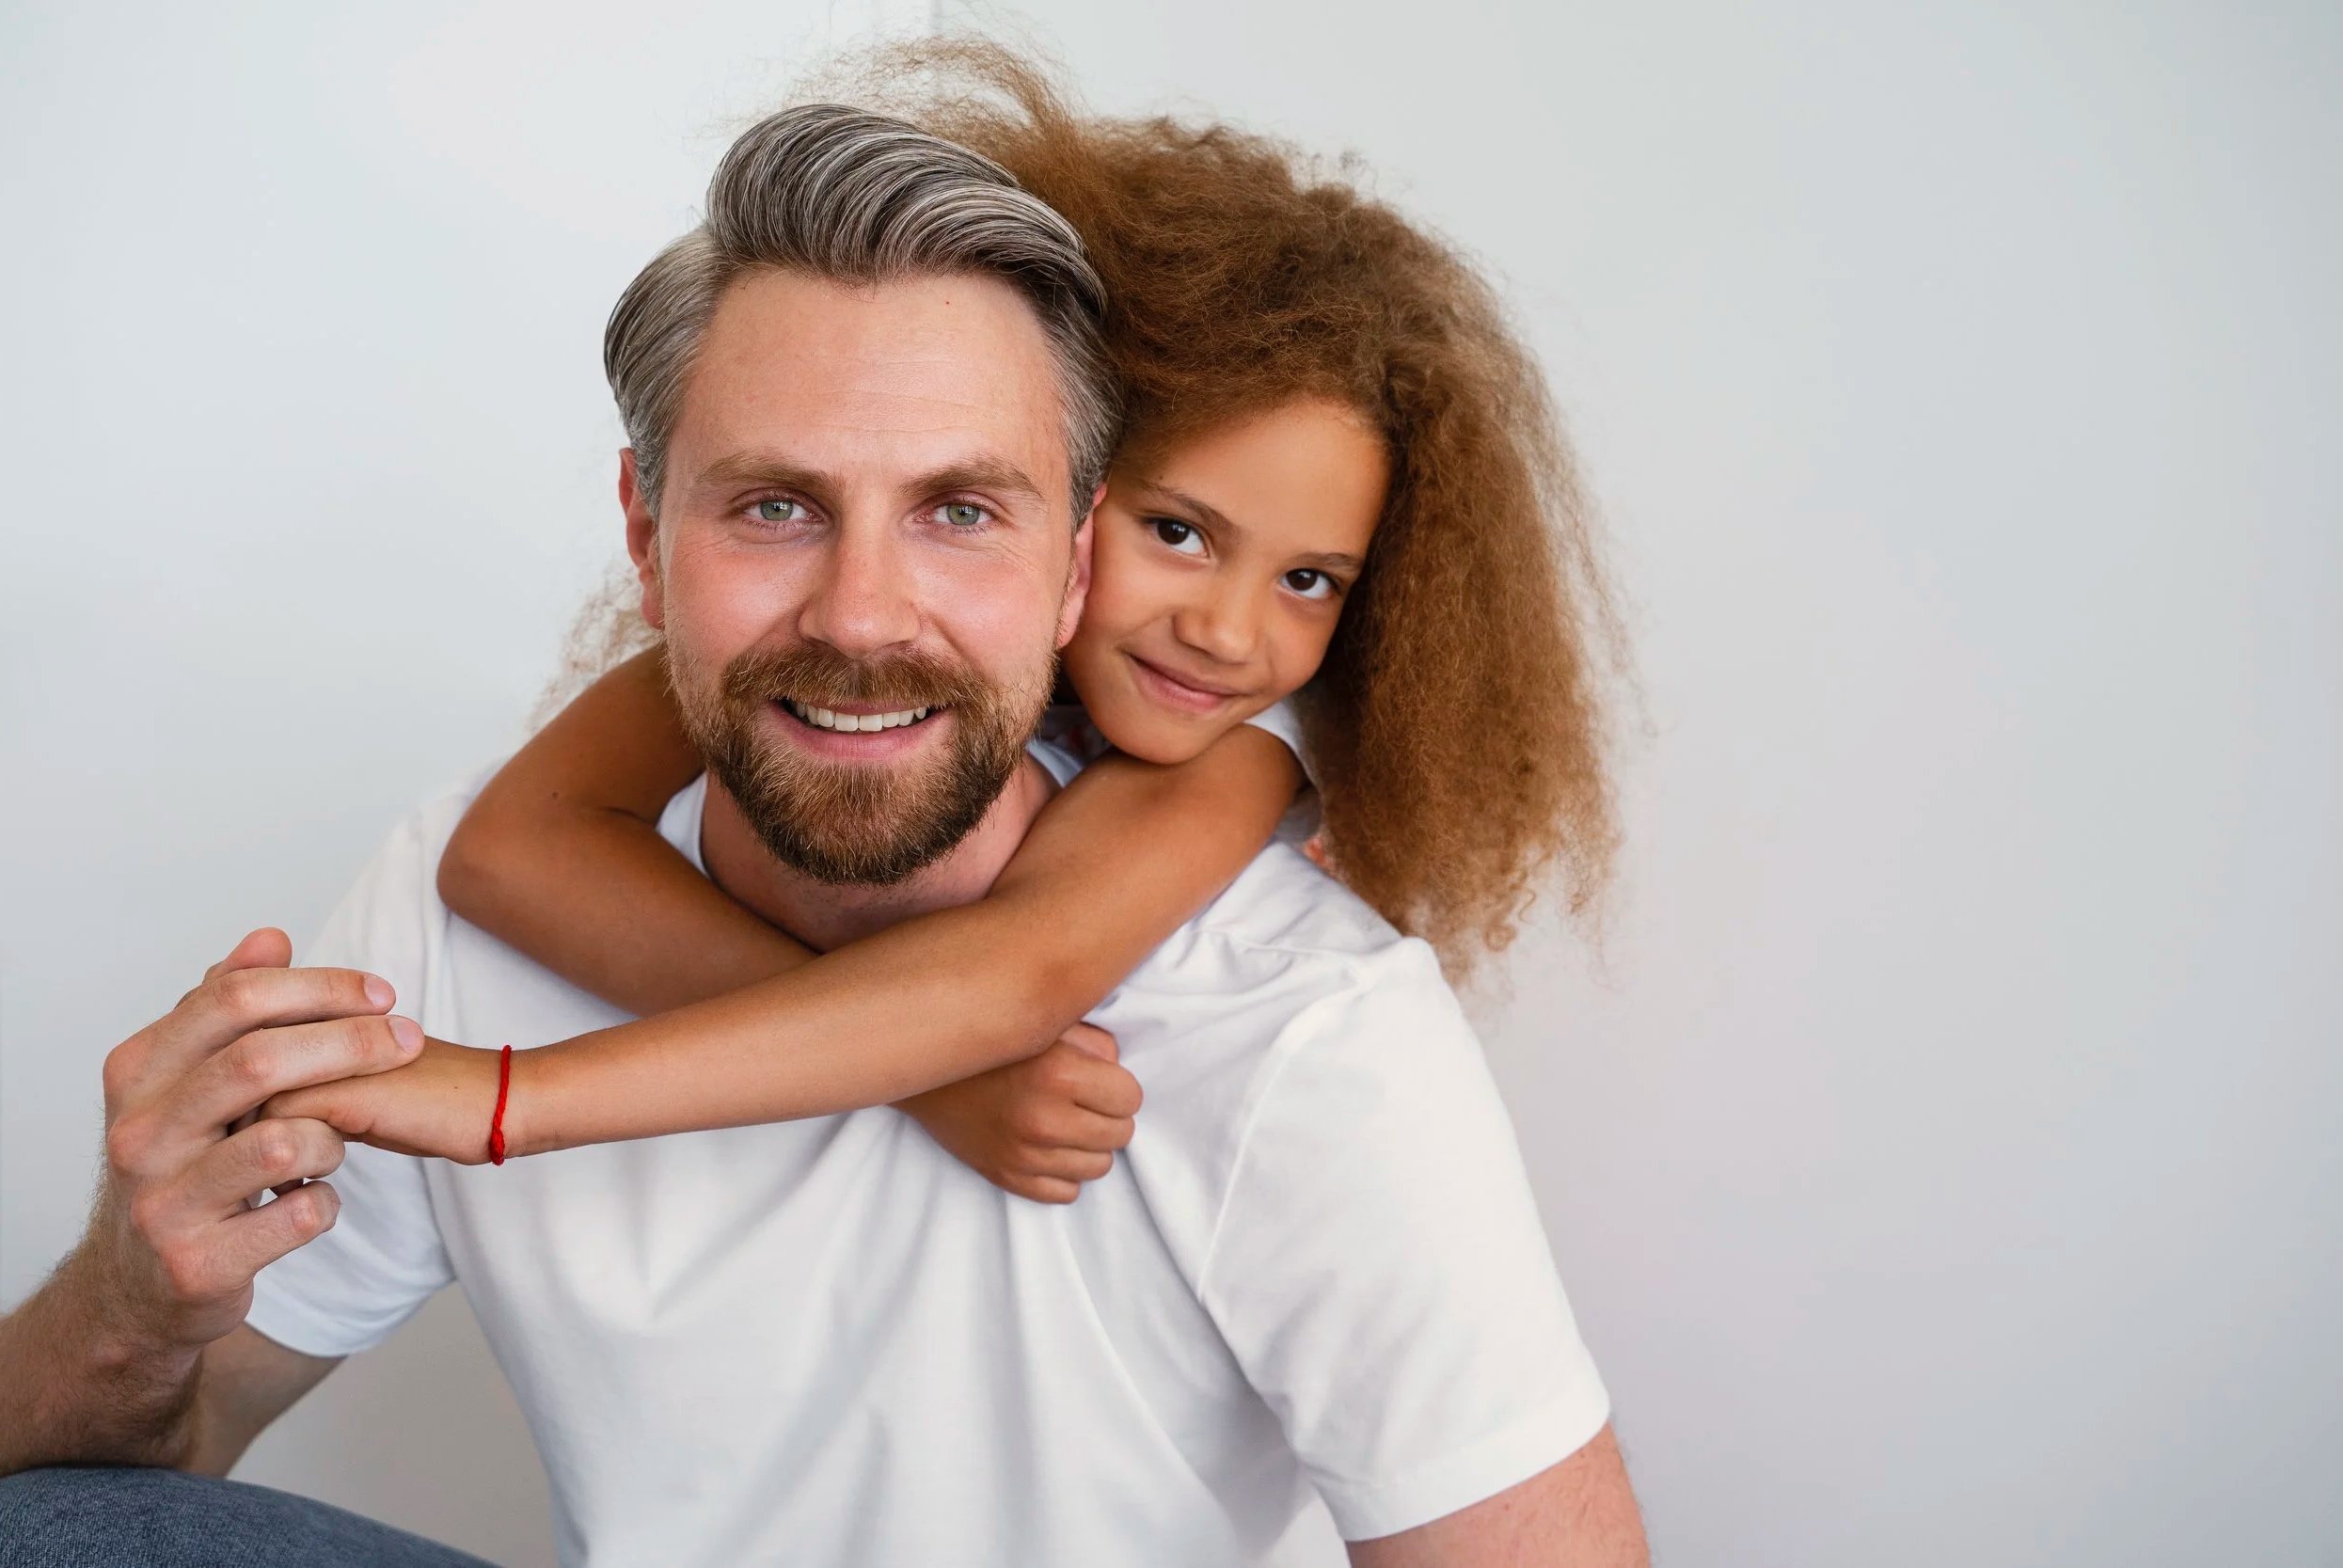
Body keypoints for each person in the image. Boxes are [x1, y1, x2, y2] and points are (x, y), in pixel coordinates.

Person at [0, 55, 1647, 1568]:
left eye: (959, 511)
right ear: (646, 535)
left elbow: (1006, 986)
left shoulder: (1293, 1011)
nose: (862, 614)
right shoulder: (473, 884)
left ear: (1064, 547)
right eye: (775, 507)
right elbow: (142, 1459)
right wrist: (133, 1311)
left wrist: (499, 1096)